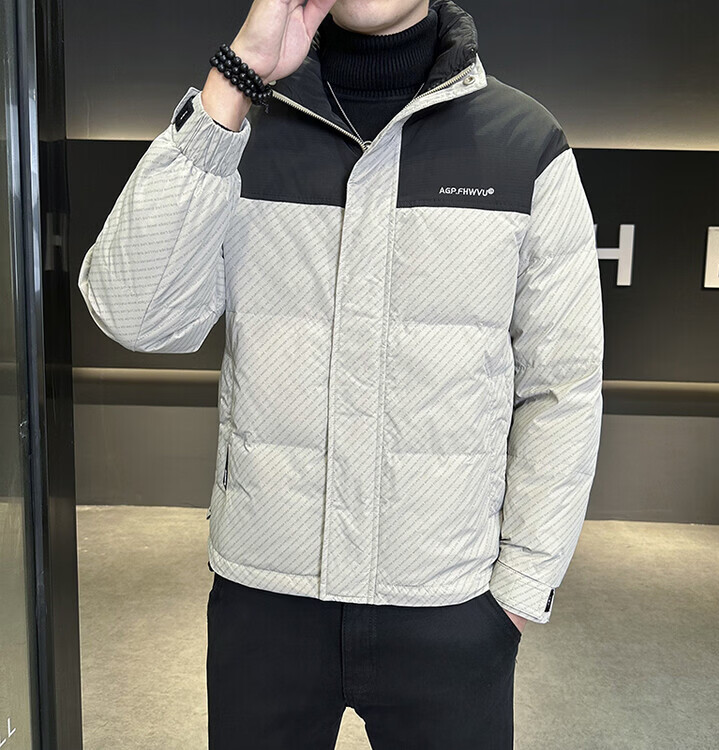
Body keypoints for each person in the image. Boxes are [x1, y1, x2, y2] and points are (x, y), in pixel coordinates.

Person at [77, 0, 604, 747]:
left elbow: (564, 385)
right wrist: (237, 77)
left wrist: (519, 589)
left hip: (449, 604)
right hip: (266, 599)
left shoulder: (523, 144)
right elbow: (135, 314)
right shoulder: (243, 127)